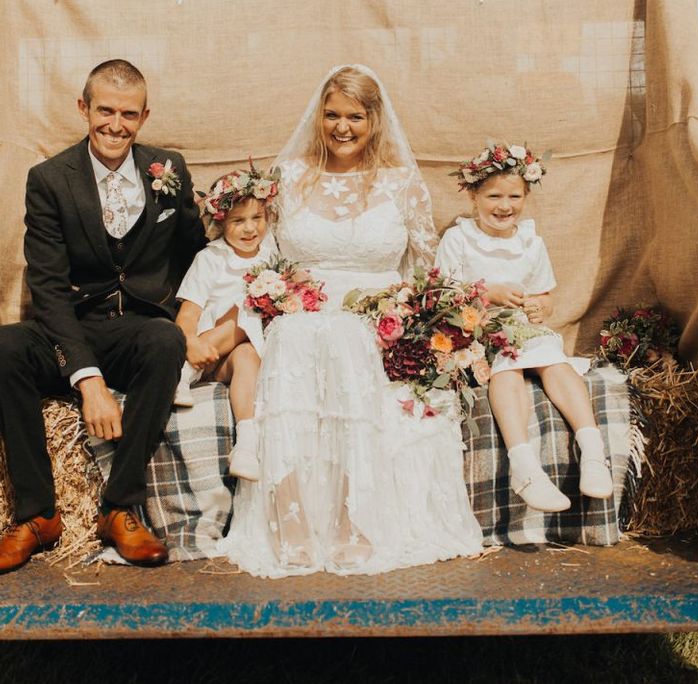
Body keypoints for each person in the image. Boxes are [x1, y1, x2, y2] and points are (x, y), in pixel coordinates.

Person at [218, 64, 483, 577]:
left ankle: (348, 517)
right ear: (319, 117)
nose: (342, 127)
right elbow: (262, 256)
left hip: (376, 316)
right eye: (332, 115)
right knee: (300, 336)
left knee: (342, 337)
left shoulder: (400, 182)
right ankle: (290, 518)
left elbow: (424, 267)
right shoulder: (290, 178)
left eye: (355, 116)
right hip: (300, 312)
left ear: (374, 120)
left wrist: (413, 324)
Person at [0, 59, 206, 576]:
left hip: (138, 331)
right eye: (105, 111)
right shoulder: (50, 179)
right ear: (84, 108)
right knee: (2, 347)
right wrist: (87, 378)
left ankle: (120, 508)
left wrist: (206, 314)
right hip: (69, 328)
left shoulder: (169, 169)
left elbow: (196, 253)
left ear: (144, 117)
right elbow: (48, 288)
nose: (115, 125)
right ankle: (37, 517)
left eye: (128, 114)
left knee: (165, 340)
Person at [435, 142, 614, 512]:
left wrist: (538, 307)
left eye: (514, 196)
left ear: (526, 196)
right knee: (508, 369)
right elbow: (443, 296)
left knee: (555, 361)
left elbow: (544, 296)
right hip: (475, 329)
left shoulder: (530, 242)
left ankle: (593, 450)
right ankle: (525, 466)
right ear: (473, 195)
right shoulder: (459, 239)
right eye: (493, 195)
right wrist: (486, 293)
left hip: (522, 329)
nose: (505, 205)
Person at [174, 162, 279, 481]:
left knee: (247, 352)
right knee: (243, 308)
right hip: (201, 355)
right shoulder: (211, 258)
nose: (250, 229)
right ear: (221, 222)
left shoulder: (272, 255)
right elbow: (187, 315)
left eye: (256, 218)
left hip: (237, 358)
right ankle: (180, 377)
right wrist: (189, 349)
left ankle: (247, 443)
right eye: (238, 221)